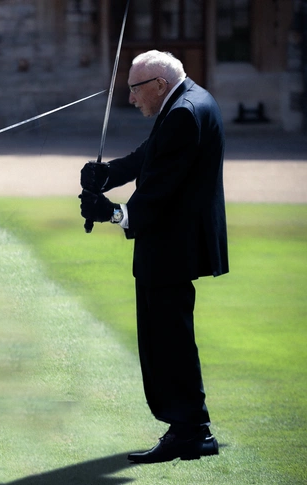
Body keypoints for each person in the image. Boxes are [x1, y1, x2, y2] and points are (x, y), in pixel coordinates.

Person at [79, 50, 228, 464]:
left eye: (134, 89)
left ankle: (191, 431)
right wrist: (108, 174)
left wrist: (112, 212)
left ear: (158, 86)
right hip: (171, 243)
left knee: (168, 341)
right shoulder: (187, 99)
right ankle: (188, 427)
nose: (130, 98)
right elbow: (151, 155)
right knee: (168, 338)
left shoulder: (183, 112)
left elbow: (161, 187)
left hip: (172, 245)